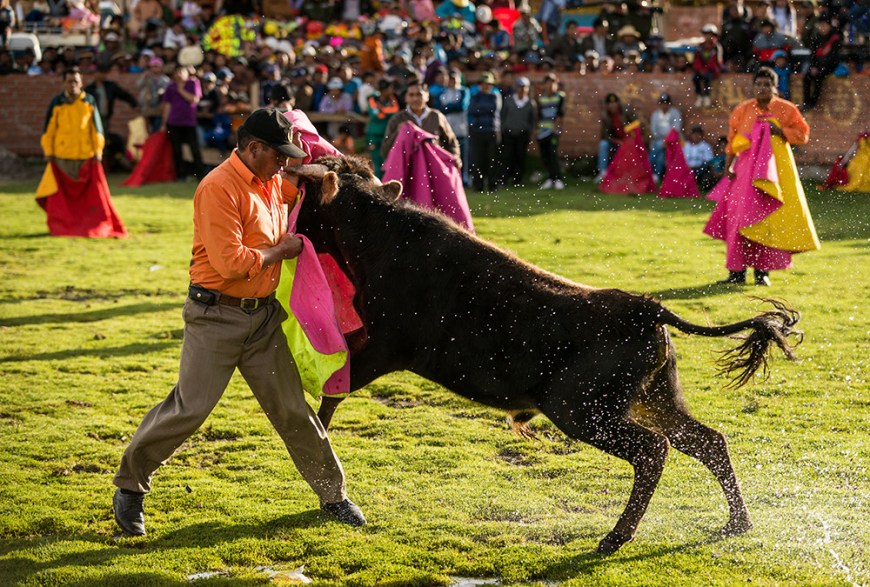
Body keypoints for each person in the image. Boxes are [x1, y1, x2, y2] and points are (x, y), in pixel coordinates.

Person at [112, 108, 365, 537]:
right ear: (253, 148)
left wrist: (316, 169)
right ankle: (130, 487)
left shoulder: (269, 180)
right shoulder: (218, 188)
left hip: (262, 317)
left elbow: (297, 183)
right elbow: (231, 263)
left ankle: (333, 496)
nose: (284, 163)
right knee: (189, 409)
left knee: (292, 410)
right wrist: (279, 252)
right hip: (215, 316)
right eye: (278, 156)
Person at [704, 67, 819, 286]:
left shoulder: (786, 110)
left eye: (767, 84)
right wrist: (729, 168)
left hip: (773, 174)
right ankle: (736, 273)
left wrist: (780, 131)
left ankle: (761, 273)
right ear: (753, 87)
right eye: (758, 84)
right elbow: (732, 141)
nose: (762, 88)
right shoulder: (742, 110)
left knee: (766, 221)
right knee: (739, 221)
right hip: (745, 172)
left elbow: (802, 135)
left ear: (775, 87)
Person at [38, 67, 126, 238]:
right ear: (63, 82)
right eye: (69, 81)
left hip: (86, 156)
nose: (73, 85)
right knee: (62, 198)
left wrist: (98, 150)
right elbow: (48, 131)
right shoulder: (56, 103)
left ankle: (87, 224)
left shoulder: (89, 101)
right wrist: (48, 151)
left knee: (89, 197)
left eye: (76, 81)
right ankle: (63, 226)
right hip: (62, 157)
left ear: (81, 82)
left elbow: (97, 130)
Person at [382, 79, 462, 171]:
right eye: (411, 95)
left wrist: (455, 158)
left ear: (427, 96)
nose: (415, 99)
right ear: (406, 98)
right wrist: (398, 132)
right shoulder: (397, 119)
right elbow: (385, 151)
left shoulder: (436, 116)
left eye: (419, 94)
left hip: (435, 168)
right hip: (408, 170)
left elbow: (451, 142)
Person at [85, 64, 139, 172]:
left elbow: (124, 95)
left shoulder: (110, 86)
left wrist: (135, 104)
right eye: (99, 73)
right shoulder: (89, 89)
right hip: (91, 119)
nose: (101, 75)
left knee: (104, 139)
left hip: (105, 118)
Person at [160, 64, 204, 180]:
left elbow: (194, 99)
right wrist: (164, 123)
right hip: (174, 122)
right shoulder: (171, 87)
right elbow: (168, 105)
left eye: (181, 71)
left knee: (194, 149)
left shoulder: (193, 83)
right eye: (177, 72)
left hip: (189, 122)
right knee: (176, 150)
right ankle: (181, 175)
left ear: (187, 72)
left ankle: (200, 175)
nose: (179, 74)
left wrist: (181, 90)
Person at [467, 71, 502, 193]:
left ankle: (493, 185)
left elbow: (493, 109)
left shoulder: (495, 96)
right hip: (478, 131)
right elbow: (472, 110)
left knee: (492, 159)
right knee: (478, 159)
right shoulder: (475, 96)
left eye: (488, 84)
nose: (486, 86)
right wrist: (483, 109)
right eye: (483, 83)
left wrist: (480, 109)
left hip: (492, 130)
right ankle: (478, 186)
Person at [500, 76, 535, 188]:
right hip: (508, 133)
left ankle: (517, 180)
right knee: (507, 157)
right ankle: (504, 179)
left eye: (524, 87)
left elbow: (532, 120)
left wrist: (528, 131)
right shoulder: (509, 100)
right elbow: (503, 116)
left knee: (520, 157)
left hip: (522, 134)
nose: (522, 89)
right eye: (520, 87)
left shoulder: (530, 103)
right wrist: (504, 128)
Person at [436, 69, 470, 184]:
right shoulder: (443, 93)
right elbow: (439, 110)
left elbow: (461, 106)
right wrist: (451, 107)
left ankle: (464, 179)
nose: (453, 81)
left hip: (461, 129)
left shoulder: (464, 91)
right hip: (447, 131)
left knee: (463, 156)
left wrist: (448, 107)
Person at [801, 16, 842, 111]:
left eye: (825, 25)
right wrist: (813, 66)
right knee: (807, 76)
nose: (822, 28)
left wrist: (820, 67)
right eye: (821, 25)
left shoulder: (835, 38)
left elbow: (833, 57)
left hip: (830, 65)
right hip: (817, 65)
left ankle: (814, 101)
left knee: (819, 77)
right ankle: (806, 101)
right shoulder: (816, 38)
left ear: (829, 26)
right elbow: (813, 55)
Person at [596, 92, 636, 183]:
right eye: (610, 104)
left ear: (618, 104)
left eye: (614, 103)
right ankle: (603, 173)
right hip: (614, 142)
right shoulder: (605, 116)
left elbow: (636, 125)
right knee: (603, 144)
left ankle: (628, 174)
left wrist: (629, 139)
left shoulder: (626, 112)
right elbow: (605, 135)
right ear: (607, 105)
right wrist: (617, 141)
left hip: (628, 141)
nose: (612, 106)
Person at [535, 72, 565, 190]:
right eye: (547, 83)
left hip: (553, 131)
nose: (550, 86)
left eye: (553, 83)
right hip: (542, 131)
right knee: (545, 156)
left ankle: (557, 179)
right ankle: (550, 178)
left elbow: (560, 114)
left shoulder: (560, 96)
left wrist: (555, 128)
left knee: (553, 155)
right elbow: (539, 115)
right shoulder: (541, 99)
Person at [366, 78, 399, 178]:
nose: (392, 90)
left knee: (387, 160)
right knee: (375, 162)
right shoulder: (372, 99)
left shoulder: (392, 99)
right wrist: (385, 112)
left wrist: (382, 110)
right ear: (384, 89)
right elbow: (376, 115)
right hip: (373, 135)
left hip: (387, 135)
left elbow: (395, 111)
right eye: (390, 88)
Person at [648, 93, 683, 182]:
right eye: (663, 103)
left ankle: (648, 167)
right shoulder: (655, 115)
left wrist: (667, 139)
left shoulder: (675, 113)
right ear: (660, 104)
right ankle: (656, 175)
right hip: (658, 140)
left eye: (666, 103)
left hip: (672, 141)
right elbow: (653, 131)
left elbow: (676, 129)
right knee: (660, 155)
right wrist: (663, 139)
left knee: (658, 150)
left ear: (669, 104)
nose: (665, 105)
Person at [692, 24, 723, 108]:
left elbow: (715, 61)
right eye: (706, 34)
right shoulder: (700, 47)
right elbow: (697, 60)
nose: (708, 36)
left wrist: (705, 70)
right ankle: (699, 96)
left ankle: (706, 96)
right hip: (701, 70)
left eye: (710, 34)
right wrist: (700, 69)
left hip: (712, 70)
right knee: (695, 78)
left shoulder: (716, 47)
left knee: (708, 78)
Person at [682, 125, 715, 190]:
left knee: (705, 166)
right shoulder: (686, 145)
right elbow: (683, 159)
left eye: (698, 134)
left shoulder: (705, 146)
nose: (696, 136)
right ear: (691, 135)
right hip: (687, 168)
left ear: (702, 135)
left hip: (700, 169)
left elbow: (709, 160)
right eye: (694, 134)